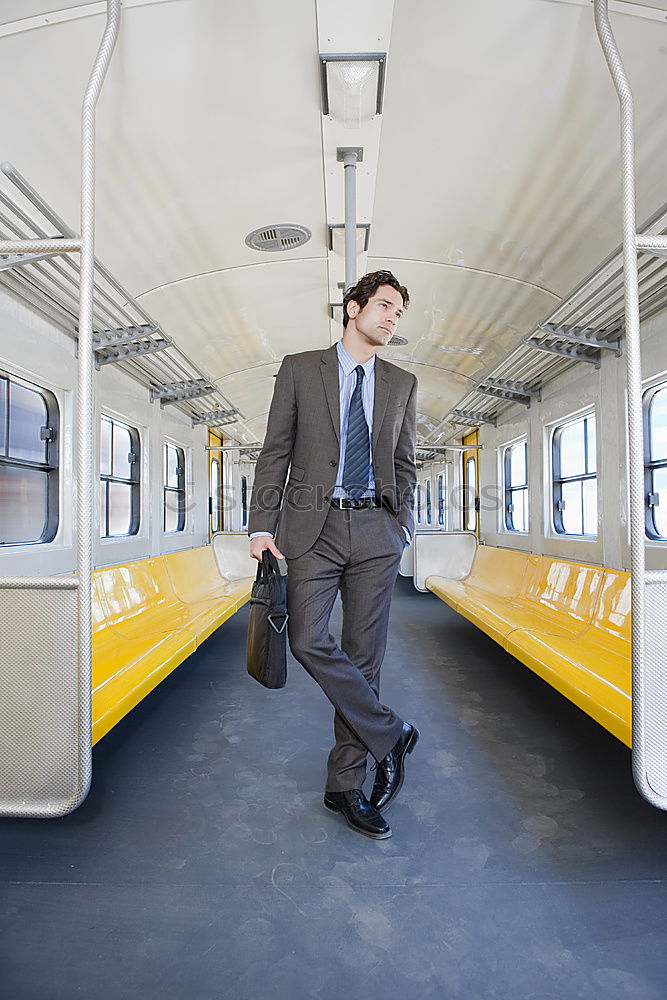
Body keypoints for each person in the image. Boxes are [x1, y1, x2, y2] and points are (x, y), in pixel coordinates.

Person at [248, 270, 419, 840]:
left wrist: (403, 526)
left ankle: (344, 786)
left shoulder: (401, 382)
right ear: (354, 308)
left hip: (376, 529)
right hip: (311, 529)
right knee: (306, 640)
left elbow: (404, 463)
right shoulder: (300, 369)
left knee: (364, 657)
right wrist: (259, 528)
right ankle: (389, 733)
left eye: (400, 312)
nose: (393, 318)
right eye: (386, 306)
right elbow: (275, 452)